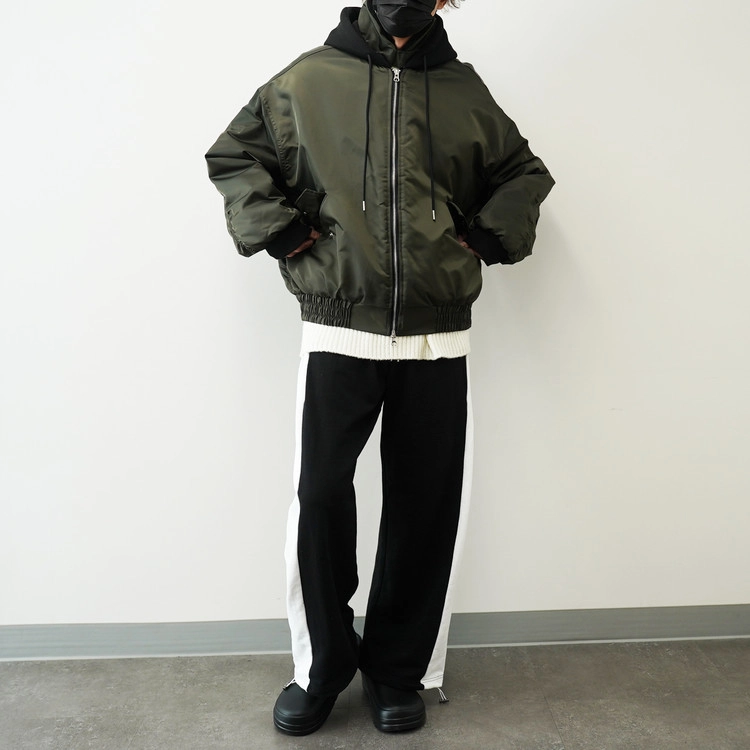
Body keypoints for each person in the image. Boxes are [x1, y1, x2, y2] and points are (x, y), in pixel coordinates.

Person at [205, 0, 554, 736]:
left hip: (436, 339)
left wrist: (488, 236)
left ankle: (396, 671)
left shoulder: (462, 89)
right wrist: (283, 230)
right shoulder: (308, 80)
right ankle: (321, 669)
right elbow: (235, 155)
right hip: (339, 327)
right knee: (320, 498)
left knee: (426, 506)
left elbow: (523, 173)